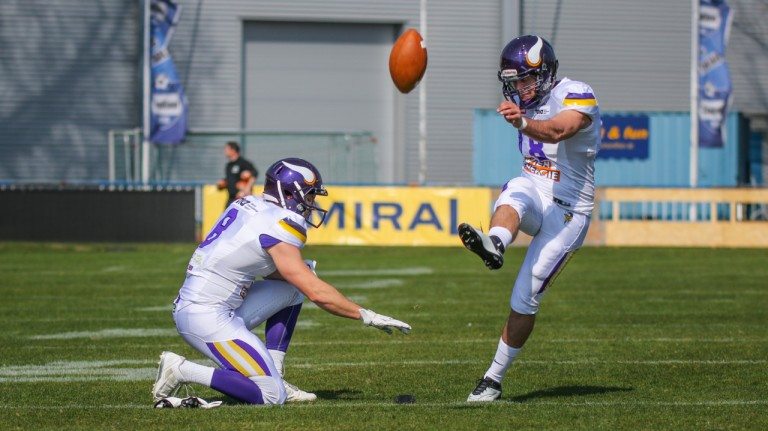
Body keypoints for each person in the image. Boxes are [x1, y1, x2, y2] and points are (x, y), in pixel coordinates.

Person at [153, 158, 411, 406]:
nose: (311, 203)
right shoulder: (281, 223)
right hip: (206, 316)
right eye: (309, 195)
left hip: (211, 304)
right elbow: (316, 293)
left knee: (298, 281)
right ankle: (182, 370)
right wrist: (365, 314)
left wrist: (306, 276)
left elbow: (286, 276)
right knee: (271, 396)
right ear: (289, 193)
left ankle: (275, 370)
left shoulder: (250, 203)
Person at [458, 35, 600, 402]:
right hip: (536, 195)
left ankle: (493, 378)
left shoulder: (577, 93)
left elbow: (558, 130)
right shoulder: (523, 101)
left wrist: (522, 122)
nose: (520, 87)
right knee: (517, 187)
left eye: (526, 78)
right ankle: (496, 244)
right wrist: (522, 116)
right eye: (515, 81)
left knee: (525, 296)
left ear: (546, 72)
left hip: (568, 211)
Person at [218, 141, 258, 207]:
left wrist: (246, 189)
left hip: (242, 199)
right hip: (231, 198)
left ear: (233, 150)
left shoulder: (243, 163)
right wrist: (223, 183)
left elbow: (254, 174)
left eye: (226, 149)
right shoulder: (229, 165)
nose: (224, 151)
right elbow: (232, 179)